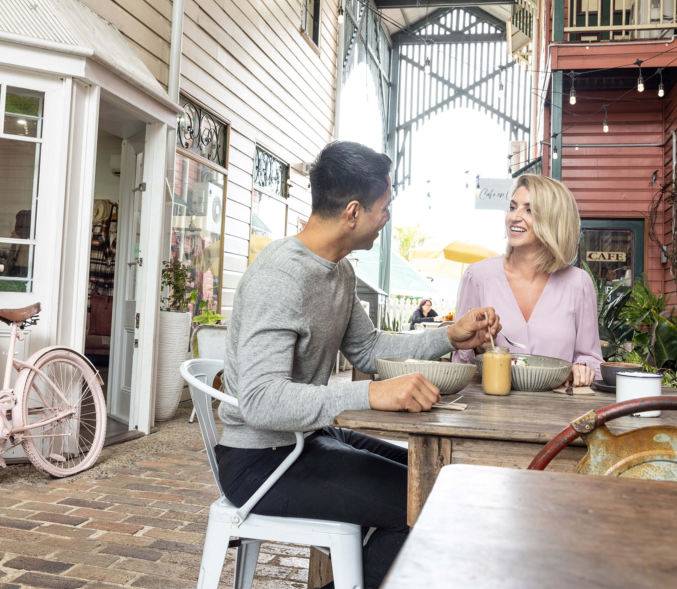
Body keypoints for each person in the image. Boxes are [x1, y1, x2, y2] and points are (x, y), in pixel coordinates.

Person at [215, 141, 501, 589]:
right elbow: (260, 400)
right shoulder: (279, 277)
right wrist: (371, 393)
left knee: (436, 481)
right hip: (259, 461)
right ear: (353, 212)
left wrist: (447, 336)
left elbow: (368, 349)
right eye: (384, 209)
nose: (388, 219)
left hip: (307, 441)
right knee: (425, 503)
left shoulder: (339, 272)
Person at [451, 173, 603, 386]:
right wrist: (474, 347)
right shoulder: (477, 276)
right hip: (490, 410)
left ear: (554, 220)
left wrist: (582, 369)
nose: (514, 216)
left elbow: (591, 358)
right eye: (513, 207)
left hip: (558, 412)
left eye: (529, 210)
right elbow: (460, 362)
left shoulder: (579, 283)